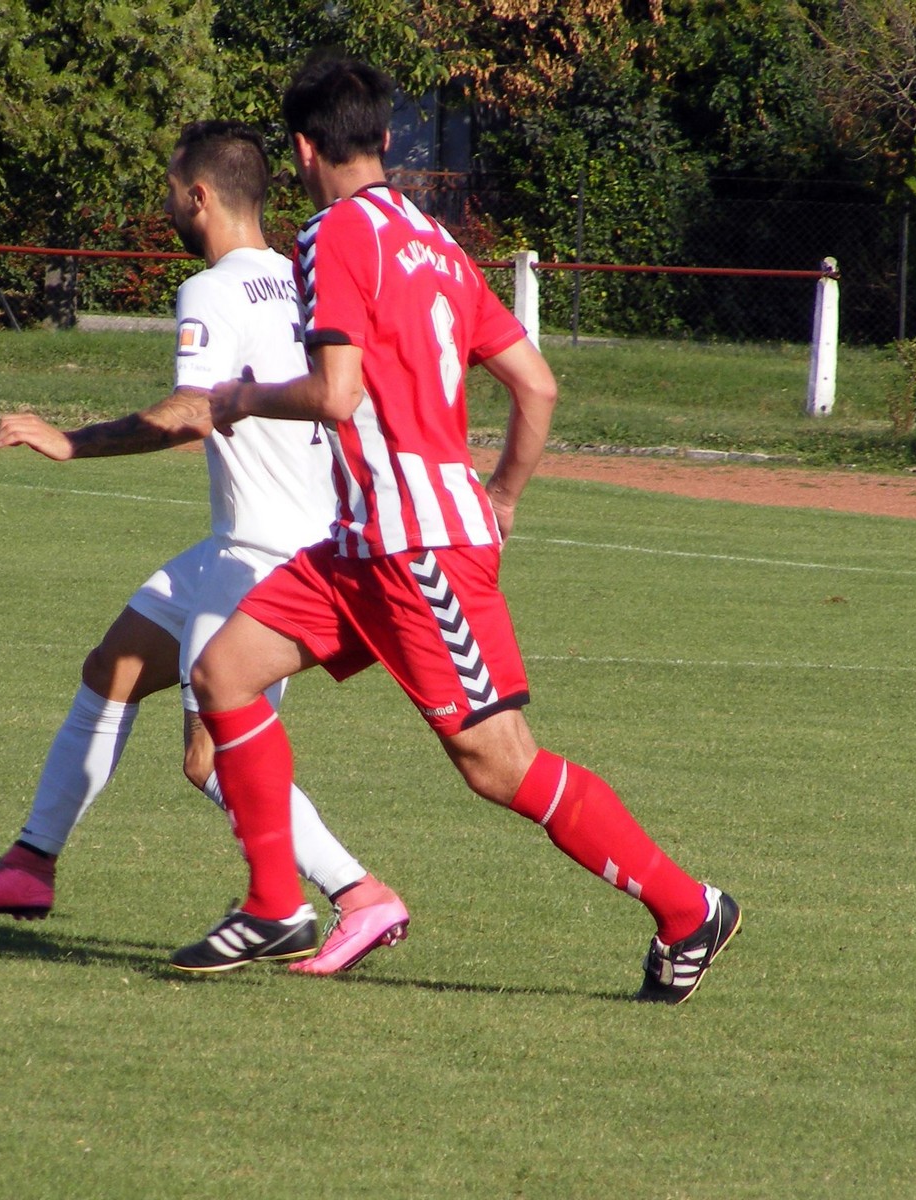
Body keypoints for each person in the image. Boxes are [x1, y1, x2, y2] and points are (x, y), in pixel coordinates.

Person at [171, 58, 740, 1003]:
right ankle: (274, 902)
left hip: (416, 550)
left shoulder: (331, 234)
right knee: (223, 674)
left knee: (498, 763)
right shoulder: (436, 240)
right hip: (362, 543)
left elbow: (336, 394)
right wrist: (503, 494)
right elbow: (536, 384)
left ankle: (690, 910)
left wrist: (241, 398)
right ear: (383, 138)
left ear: (304, 150)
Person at [0, 119, 409, 975]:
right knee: (111, 666)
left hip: (264, 558)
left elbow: (191, 413)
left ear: (201, 196)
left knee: (210, 756)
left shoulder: (212, 289)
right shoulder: (305, 276)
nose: (168, 206)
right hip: (266, 540)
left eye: (171, 191)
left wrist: (70, 441)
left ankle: (357, 895)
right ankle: (29, 865)